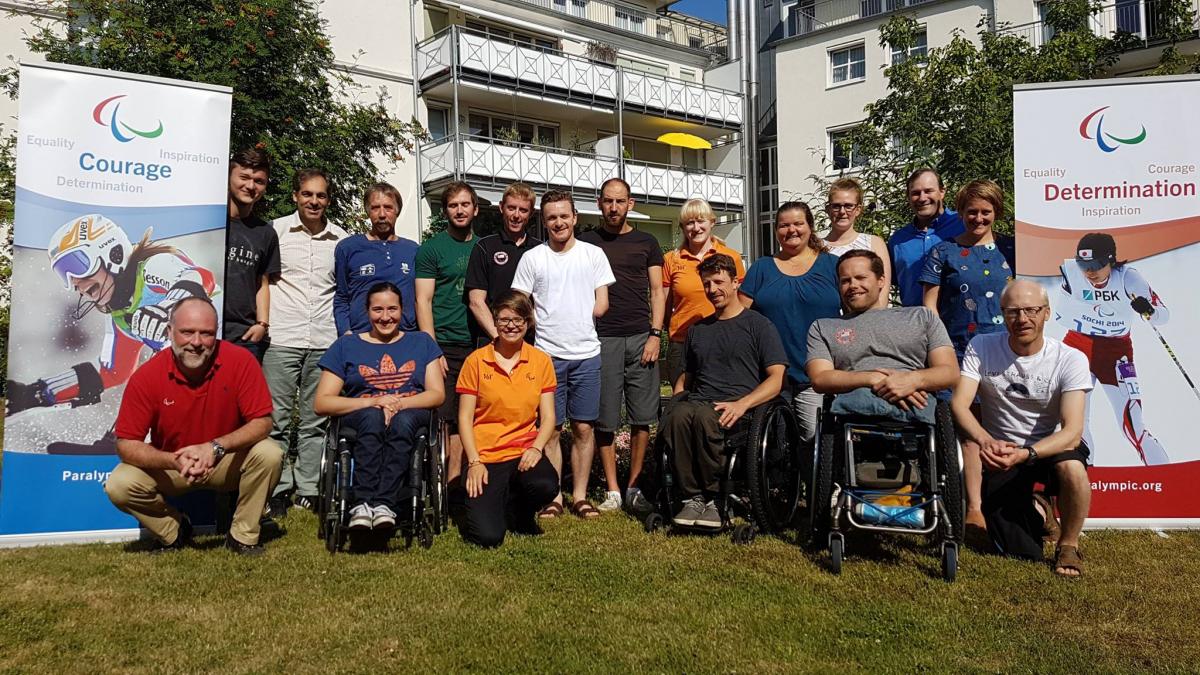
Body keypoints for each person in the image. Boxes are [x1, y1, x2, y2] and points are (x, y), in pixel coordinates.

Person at [5, 214, 220, 455]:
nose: (74, 282)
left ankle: (125, 441)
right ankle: (124, 442)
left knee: (161, 359)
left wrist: (167, 307)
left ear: (113, 253)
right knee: (153, 366)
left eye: (76, 265)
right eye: (64, 274)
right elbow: (110, 372)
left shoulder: (153, 267)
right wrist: (36, 393)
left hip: (224, 360)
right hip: (199, 381)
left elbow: (201, 277)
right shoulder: (121, 316)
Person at [104, 297, 283, 556]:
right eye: (187, 332)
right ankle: (174, 531)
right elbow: (126, 444)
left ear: (216, 333)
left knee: (270, 453)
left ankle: (243, 536)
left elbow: (263, 422)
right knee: (119, 483)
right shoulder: (147, 376)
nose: (196, 343)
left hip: (223, 459)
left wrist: (215, 447)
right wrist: (173, 460)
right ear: (170, 332)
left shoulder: (241, 361)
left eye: (206, 334)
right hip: (175, 464)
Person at [952, 279, 1092, 577]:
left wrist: (1027, 454)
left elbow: (1072, 432)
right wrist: (986, 442)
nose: (1022, 319)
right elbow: (959, 405)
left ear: (1047, 313)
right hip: (1001, 453)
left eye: (1031, 310)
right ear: (1003, 314)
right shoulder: (982, 346)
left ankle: (1068, 545)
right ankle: (1039, 509)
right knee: (1022, 553)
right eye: (1013, 311)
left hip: (1049, 448)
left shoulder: (1070, 358)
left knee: (1073, 468)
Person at [662, 254, 787, 529]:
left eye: (718, 282)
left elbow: (776, 379)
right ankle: (692, 497)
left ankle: (716, 498)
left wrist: (743, 404)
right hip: (700, 401)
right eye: (707, 284)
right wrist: (678, 395)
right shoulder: (699, 330)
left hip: (741, 408)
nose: (712, 290)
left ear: (735, 282)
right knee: (677, 415)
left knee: (707, 417)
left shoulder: (758, 325)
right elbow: (687, 376)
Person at [511, 190, 615, 519]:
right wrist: (539, 322)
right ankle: (554, 496)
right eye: (552, 217)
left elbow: (603, 301)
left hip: (586, 353)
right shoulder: (533, 258)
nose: (559, 222)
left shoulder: (593, 254)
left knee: (584, 428)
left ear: (575, 218)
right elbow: (519, 303)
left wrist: (589, 312)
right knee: (552, 429)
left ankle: (581, 496)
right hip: (546, 357)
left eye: (564, 216)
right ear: (544, 222)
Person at [920, 179, 1015, 534]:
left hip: (1009, 351)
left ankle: (1021, 502)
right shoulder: (942, 252)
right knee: (970, 430)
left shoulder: (1013, 249)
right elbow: (930, 308)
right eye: (971, 211)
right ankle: (974, 508)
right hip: (960, 351)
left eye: (985, 212)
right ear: (960, 212)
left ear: (996, 213)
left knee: (1010, 423)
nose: (978, 218)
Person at [313, 282, 445, 530]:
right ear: (367, 311)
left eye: (392, 309)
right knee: (372, 417)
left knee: (403, 421)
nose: (386, 317)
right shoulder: (346, 346)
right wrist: (374, 401)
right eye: (378, 310)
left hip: (410, 412)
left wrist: (397, 404)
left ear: (403, 310)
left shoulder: (422, 343)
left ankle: (384, 503)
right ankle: (363, 503)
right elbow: (322, 402)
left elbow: (437, 394)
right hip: (362, 414)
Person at [262, 168, 349, 518]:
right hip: (282, 335)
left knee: (316, 420)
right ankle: (279, 487)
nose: (314, 201)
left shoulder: (340, 240)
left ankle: (309, 487)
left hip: (324, 339)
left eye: (321, 195)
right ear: (296, 196)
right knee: (277, 419)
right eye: (308, 194)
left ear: (328, 199)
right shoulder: (275, 232)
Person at [578, 178, 665, 513]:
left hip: (641, 337)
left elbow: (657, 291)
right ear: (599, 203)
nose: (614, 208)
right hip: (601, 338)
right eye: (608, 201)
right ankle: (613, 489)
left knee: (642, 416)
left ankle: (634, 485)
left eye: (620, 201)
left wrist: (655, 334)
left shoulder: (647, 241)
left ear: (631, 203)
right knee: (605, 418)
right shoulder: (585, 242)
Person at [1058, 232, 1171, 466]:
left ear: (1111, 260)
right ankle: (1084, 479)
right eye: (1084, 265)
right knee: (1074, 422)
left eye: (1097, 265)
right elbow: (1062, 312)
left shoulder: (1128, 278)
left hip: (1115, 353)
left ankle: (1167, 479)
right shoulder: (1072, 276)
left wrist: (1147, 310)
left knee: (1133, 423)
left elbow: (1163, 316)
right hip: (1077, 348)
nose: (1090, 272)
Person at [457, 291, 560, 547]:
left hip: (523, 451)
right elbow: (464, 418)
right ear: (495, 321)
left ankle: (519, 510)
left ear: (528, 323)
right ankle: (496, 504)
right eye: (504, 319)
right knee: (488, 537)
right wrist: (474, 462)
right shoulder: (476, 361)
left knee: (546, 485)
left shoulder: (540, 361)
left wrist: (537, 448)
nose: (511, 325)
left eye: (518, 319)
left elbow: (548, 418)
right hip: (486, 455)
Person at [805, 249, 959, 420]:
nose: (853, 285)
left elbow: (950, 372)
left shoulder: (921, 317)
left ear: (881, 280)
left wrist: (912, 380)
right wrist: (874, 378)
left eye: (861, 278)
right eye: (845, 281)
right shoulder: (823, 327)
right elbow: (820, 379)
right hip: (853, 410)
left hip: (916, 407)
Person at [739, 201, 841, 447]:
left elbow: (854, 315)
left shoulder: (833, 265)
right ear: (776, 231)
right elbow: (739, 319)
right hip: (772, 375)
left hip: (817, 375)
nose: (791, 230)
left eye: (798, 223)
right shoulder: (761, 268)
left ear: (810, 227)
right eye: (784, 225)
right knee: (775, 445)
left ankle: (816, 487)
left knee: (814, 444)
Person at [416, 181, 478, 490]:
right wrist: (432, 348)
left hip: (477, 344)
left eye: (465, 204)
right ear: (445, 212)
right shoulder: (431, 249)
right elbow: (423, 301)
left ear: (475, 209)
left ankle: (455, 482)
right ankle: (436, 479)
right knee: (444, 417)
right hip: (445, 344)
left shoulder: (483, 247)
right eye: (453, 205)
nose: (459, 210)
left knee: (468, 417)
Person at [662, 197, 745, 387]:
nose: (696, 227)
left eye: (701, 221)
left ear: (712, 223)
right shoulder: (671, 260)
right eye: (690, 222)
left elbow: (740, 299)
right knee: (682, 402)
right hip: (682, 342)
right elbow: (664, 304)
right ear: (683, 227)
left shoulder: (731, 256)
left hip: (723, 339)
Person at [333, 182, 419, 337]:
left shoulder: (413, 250)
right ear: (367, 211)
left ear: (397, 211)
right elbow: (341, 297)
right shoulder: (348, 248)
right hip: (361, 337)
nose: (382, 214)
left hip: (405, 337)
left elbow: (421, 299)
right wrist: (345, 333)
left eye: (388, 207)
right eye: (375, 208)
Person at [465, 182, 541, 346]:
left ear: (531, 213)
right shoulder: (485, 247)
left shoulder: (540, 249)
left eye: (523, 210)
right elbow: (476, 302)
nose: (516, 215)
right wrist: (500, 338)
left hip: (531, 341)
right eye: (511, 208)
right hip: (492, 339)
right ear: (501, 207)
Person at [224, 148, 280, 362]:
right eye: (244, 177)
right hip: (204, 328)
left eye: (259, 181)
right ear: (229, 177)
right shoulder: (208, 222)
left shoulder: (265, 233)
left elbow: (262, 283)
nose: (250, 186)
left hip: (245, 336)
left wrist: (262, 324)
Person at [887, 168, 964, 307]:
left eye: (928, 191)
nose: (922, 198)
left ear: (942, 192)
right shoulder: (898, 241)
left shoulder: (963, 226)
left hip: (958, 322)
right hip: (915, 323)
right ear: (908, 197)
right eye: (916, 193)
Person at [823, 177, 890, 308]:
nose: (842, 212)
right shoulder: (817, 247)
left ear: (858, 209)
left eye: (848, 206)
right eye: (836, 206)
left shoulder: (874, 243)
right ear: (828, 209)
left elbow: (883, 290)